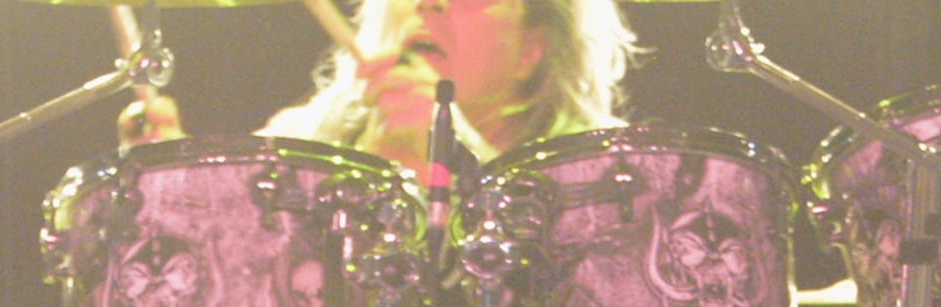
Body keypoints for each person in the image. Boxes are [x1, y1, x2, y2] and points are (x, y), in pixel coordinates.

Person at [120, 0, 633, 174]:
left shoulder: (602, 177)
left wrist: (456, 155)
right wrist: (172, 193)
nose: (429, 2)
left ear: (532, 49)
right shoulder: (304, 147)